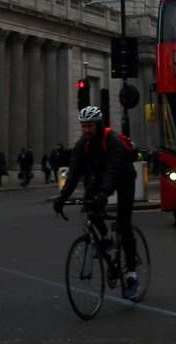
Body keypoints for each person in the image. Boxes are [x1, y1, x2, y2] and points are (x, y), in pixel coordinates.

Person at [53, 106, 140, 299]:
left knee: (124, 223)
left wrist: (104, 193)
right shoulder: (82, 144)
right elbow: (74, 173)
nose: (86, 130)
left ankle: (132, 274)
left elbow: (113, 169)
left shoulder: (113, 141)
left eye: (90, 126)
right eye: (83, 126)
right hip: (102, 179)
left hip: (123, 177)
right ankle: (106, 239)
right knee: (89, 207)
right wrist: (62, 197)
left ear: (98, 125)